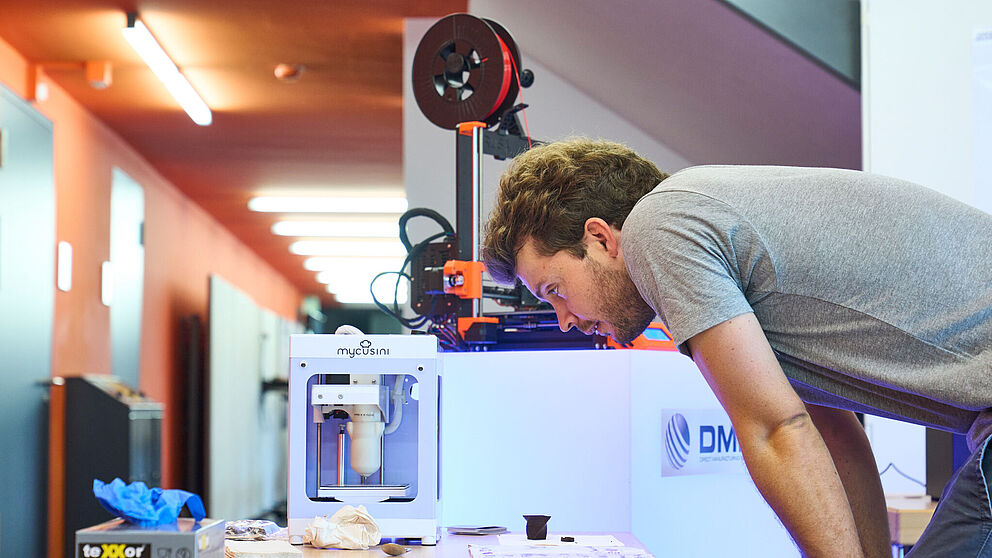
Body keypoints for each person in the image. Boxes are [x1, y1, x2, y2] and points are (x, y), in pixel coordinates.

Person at [481, 138, 992, 558]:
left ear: (600, 239)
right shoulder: (711, 235)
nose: (565, 320)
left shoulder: (657, 229)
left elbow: (776, 430)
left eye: (554, 290)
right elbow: (834, 440)